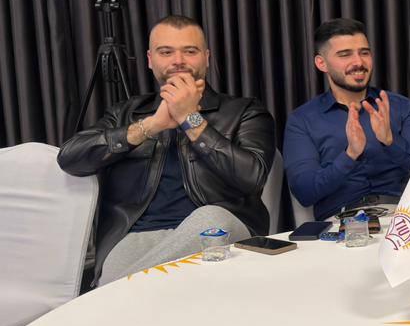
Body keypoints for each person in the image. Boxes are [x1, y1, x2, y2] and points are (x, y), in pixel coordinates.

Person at [58, 15, 274, 284]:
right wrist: (150, 126)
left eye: (190, 51)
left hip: (216, 230)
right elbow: (70, 158)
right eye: (166, 52)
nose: (178, 60)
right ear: (150, 60)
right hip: (137, 235)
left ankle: (111, 293)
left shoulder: (244, 111)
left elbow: (252, 177)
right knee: (117, 272)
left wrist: (190, 120)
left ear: (206, 58)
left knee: (211, 219)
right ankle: (121, 288)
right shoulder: (125, 113)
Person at [283, 18, 410, 221]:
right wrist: (350, 155)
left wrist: (392, 142)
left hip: (404, 218)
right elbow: (305, 192)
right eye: (345, 54)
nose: (358, 62)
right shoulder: (302, 120)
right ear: (321, 63)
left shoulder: (401, 107)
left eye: (364, 53)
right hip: (341, 223)